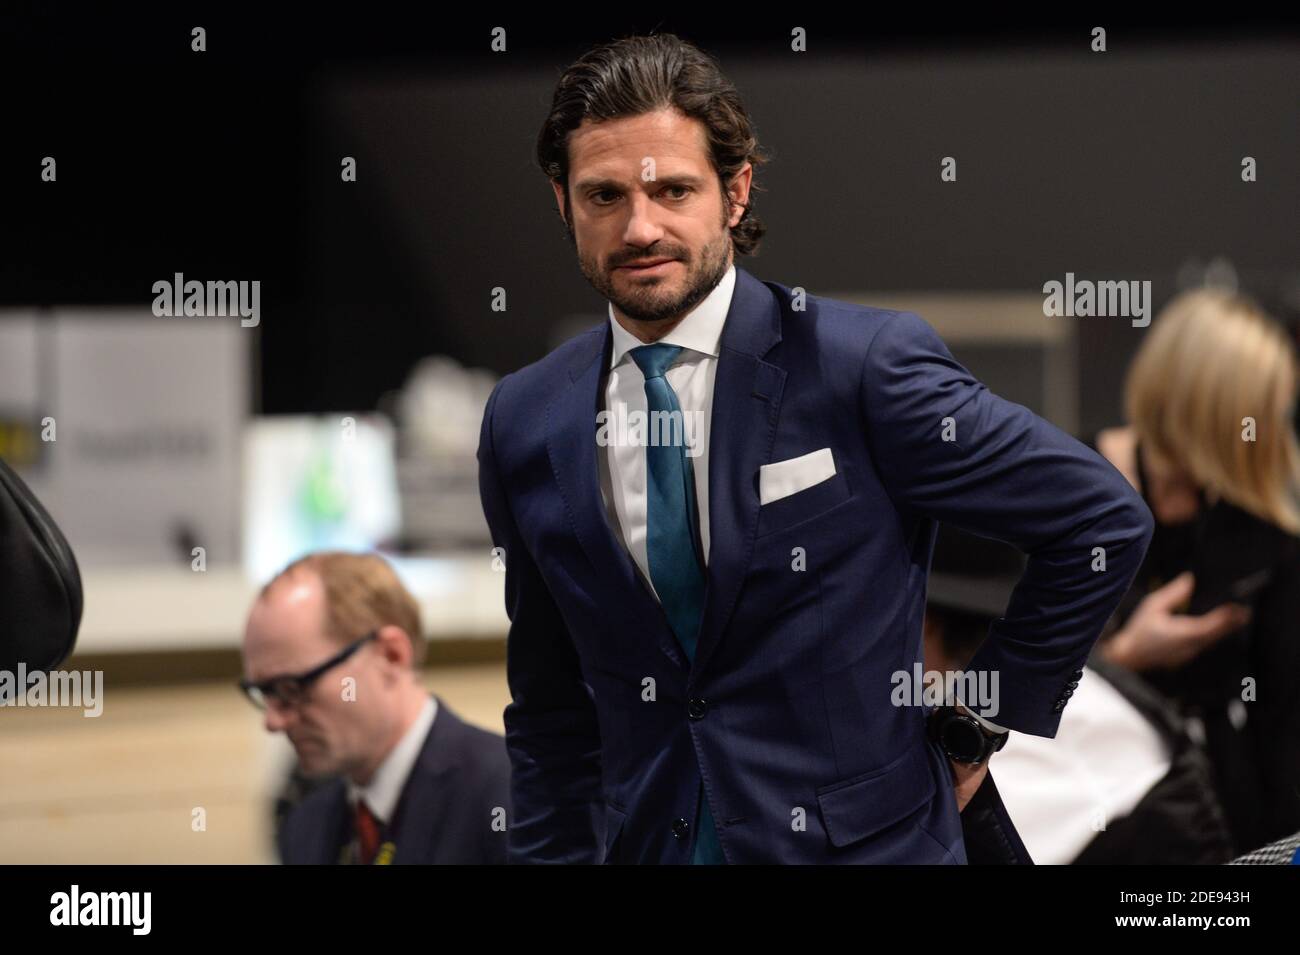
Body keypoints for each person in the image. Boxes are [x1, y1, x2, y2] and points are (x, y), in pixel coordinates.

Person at [478, 33, 1153, 864]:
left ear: (735, 191)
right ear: (562, 201)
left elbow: (1100, 518)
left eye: (674, 191)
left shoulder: (859, 366)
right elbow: (548, 713)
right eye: (604, 195)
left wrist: (980, 718)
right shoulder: (524, 417)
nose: (639, 227)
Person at [1091, 288, 1300, 854]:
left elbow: (1282, 716)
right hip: (1096, 795)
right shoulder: (1071, 489)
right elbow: (1002, 679)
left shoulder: (1257, 525)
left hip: (1227, 807)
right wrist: (1127, 658)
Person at [240, 550, 511, 864]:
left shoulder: (507, 798)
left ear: (390, 656)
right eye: (263, 693)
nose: (273, 721)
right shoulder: (305, 825)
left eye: (292, 688)